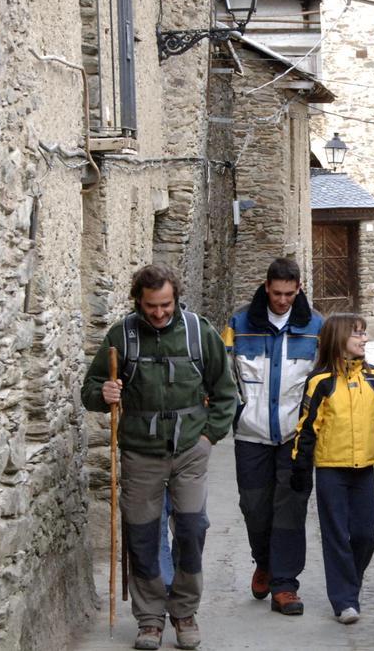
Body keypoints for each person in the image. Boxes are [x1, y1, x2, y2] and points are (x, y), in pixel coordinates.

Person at [81, 265, 237, 651]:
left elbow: (225, 390)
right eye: (151, 306)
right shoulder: (122, 336)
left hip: (189, 450)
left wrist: (208, 437)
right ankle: (150, 619)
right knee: (143, 535)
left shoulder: (199, 332)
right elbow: (89, 389)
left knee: (192, 527)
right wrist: (105, 393)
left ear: (176, 298)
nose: (159, 313)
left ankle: (184, 612)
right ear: (139, 301)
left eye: (166, 304)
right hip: (140, 452)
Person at [222, 258, 323, 616]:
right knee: (254, 508)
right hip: (250, 435)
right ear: (266, 287)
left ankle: (285, 585)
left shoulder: (316, 327)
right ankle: (263, 561)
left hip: (295, 438)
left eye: (289, 294)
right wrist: (232, 414)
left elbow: (323, 382)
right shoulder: (239, 323)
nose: (283, 300)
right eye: (277, 293)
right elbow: (224, 375)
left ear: (299, 289)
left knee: (291, 509)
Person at [290, 313, 374, 624]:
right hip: (330, 470)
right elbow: (306, 428)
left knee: (365, 534)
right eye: (357, 334)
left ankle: (350, 581)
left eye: (364, 334)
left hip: (364, 469)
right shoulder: (320, 382)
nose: (364, 339)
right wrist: (300, 468)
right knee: (336, 534)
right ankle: (345, 600)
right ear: (339, 340)